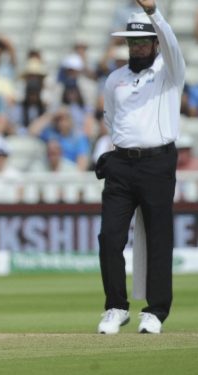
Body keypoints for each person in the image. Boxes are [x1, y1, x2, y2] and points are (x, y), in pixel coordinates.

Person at [96, 0, 184, 335]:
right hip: (120, 165)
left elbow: (172, 42)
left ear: (155, 43)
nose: (138, 47)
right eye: (133, 42)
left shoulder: (169, 72)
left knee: (159, 239)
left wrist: (152, 12)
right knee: (109, 238)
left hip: (158, 164)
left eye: (144, 41)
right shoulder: (115, 78)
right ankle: (116, 307)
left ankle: (156, 311)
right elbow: (111, 119)